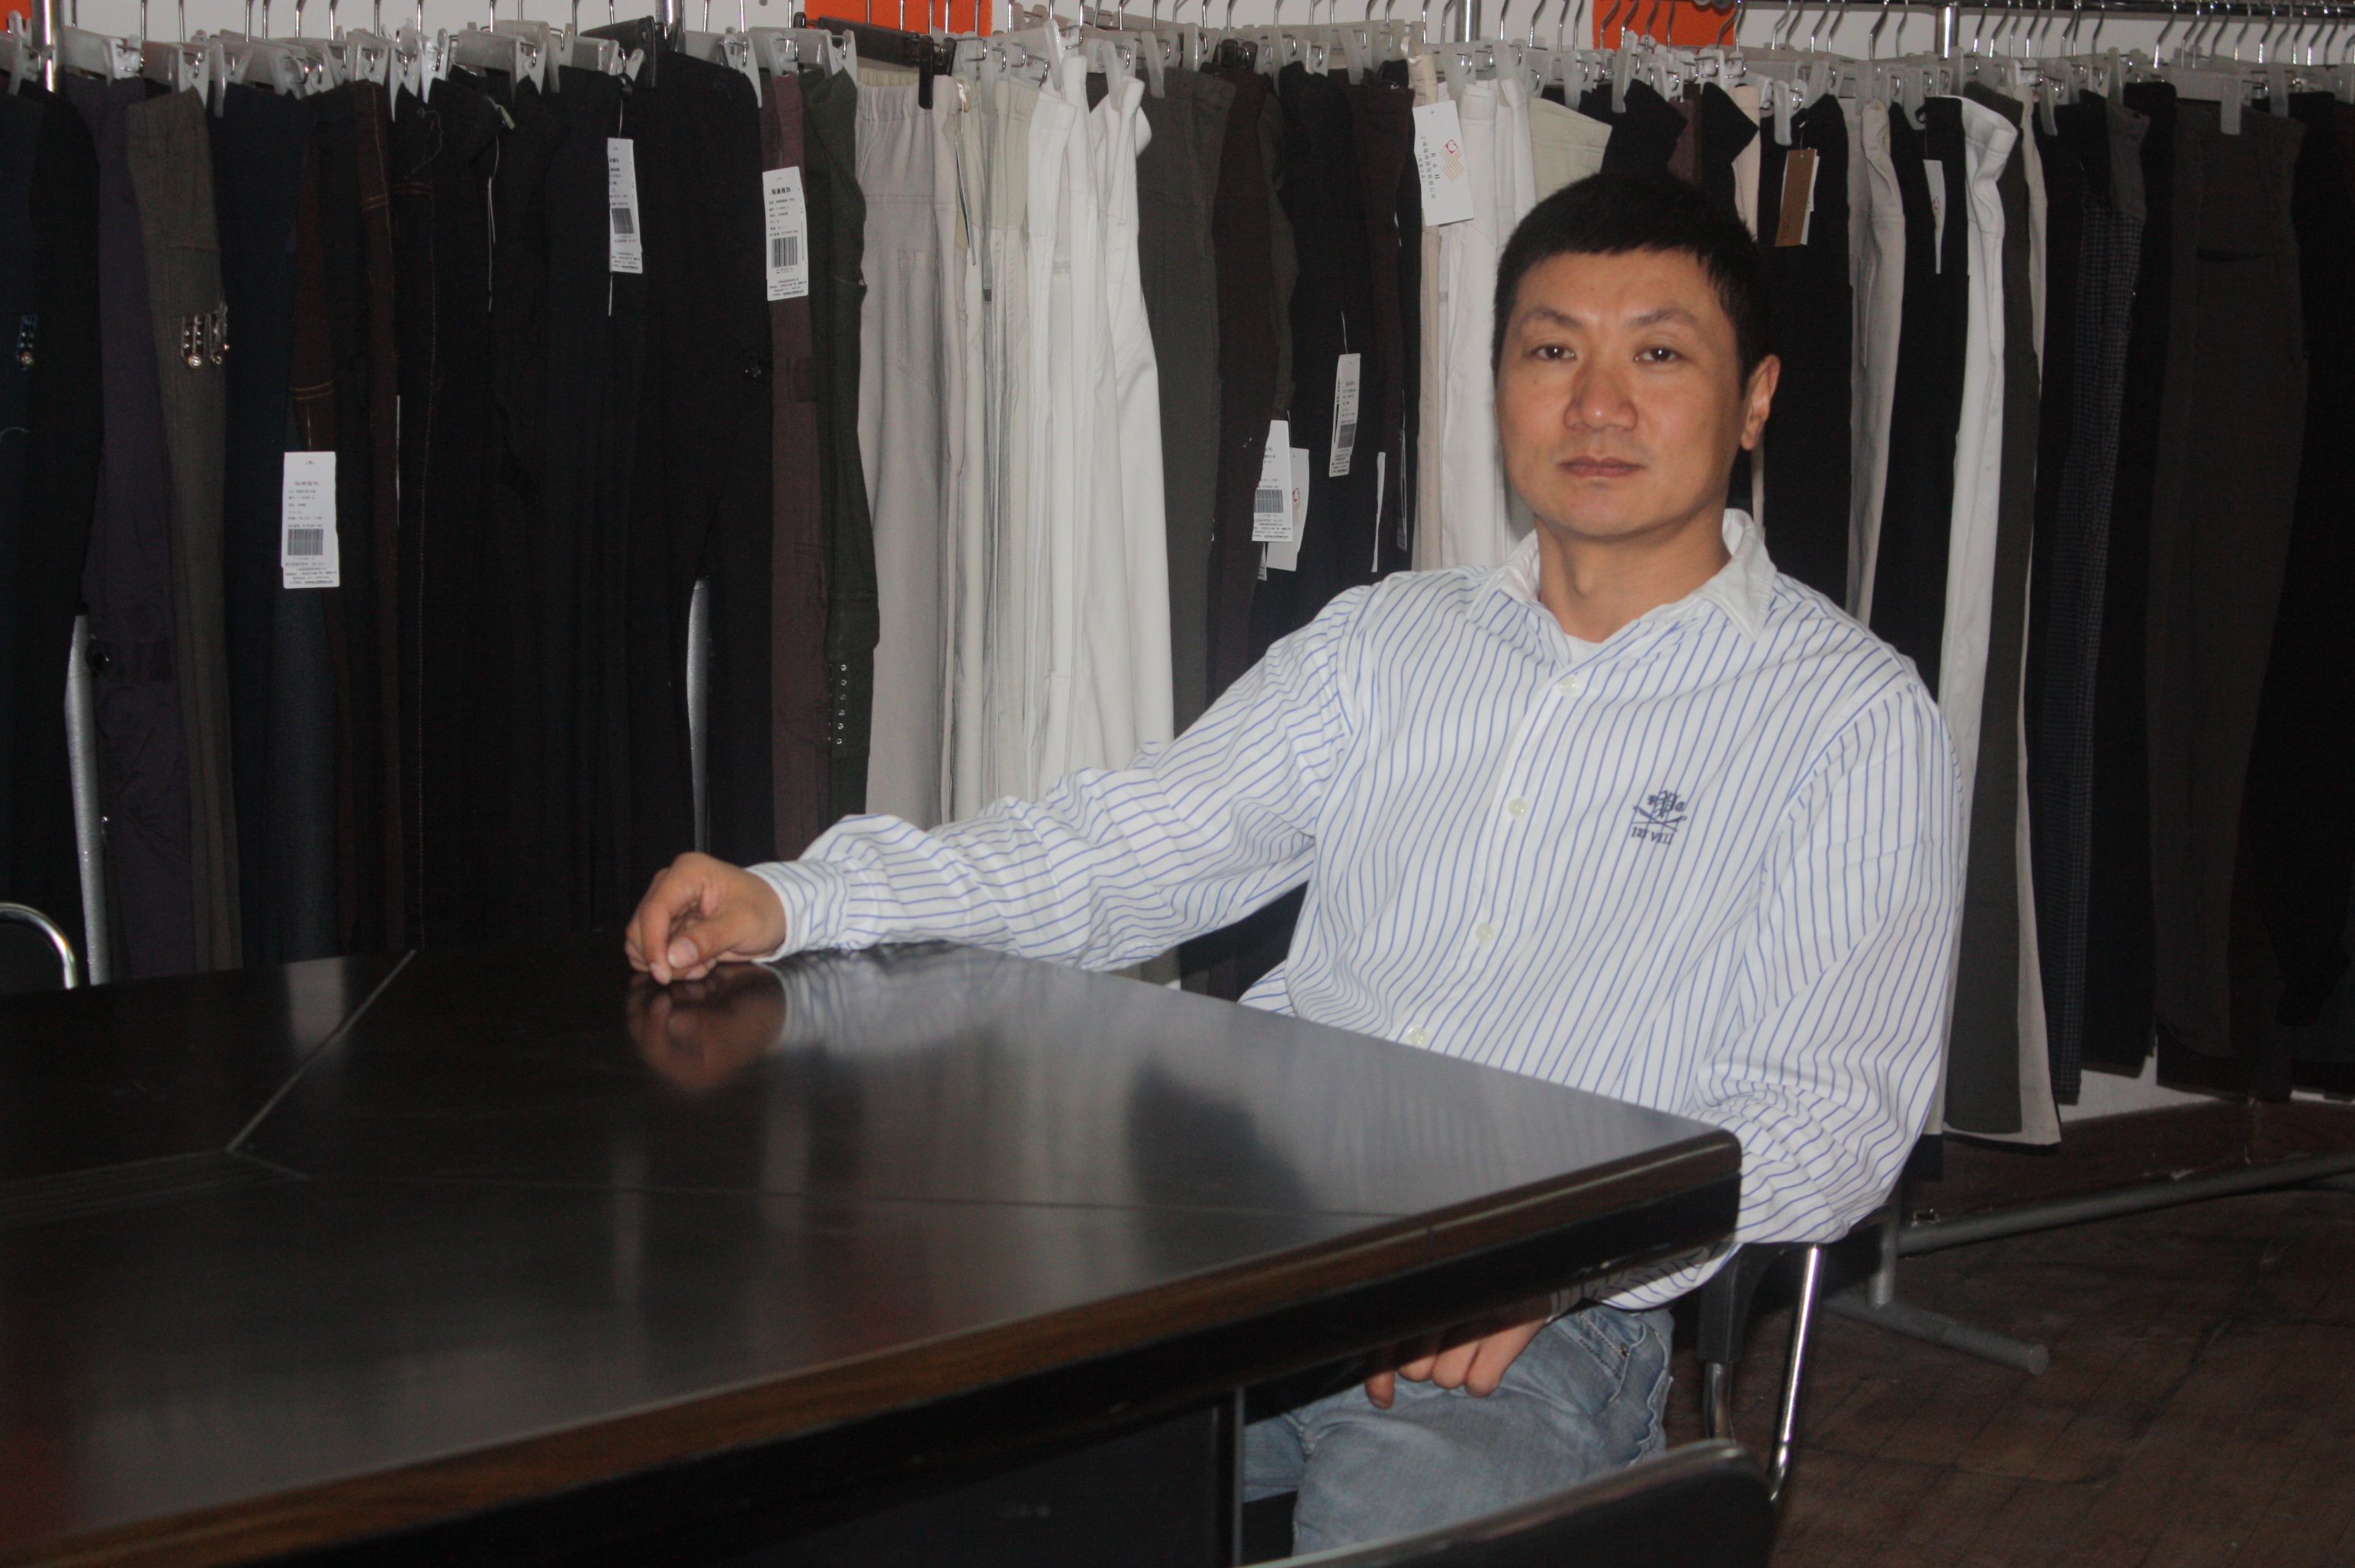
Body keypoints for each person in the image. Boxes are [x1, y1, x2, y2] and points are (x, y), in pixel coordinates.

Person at [625, 172, 1961, 1551]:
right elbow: (1122, 849)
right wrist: (801, 896)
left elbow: (1836, 1113)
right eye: (1553, 350)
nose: (1598, 404)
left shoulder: (1845, 717)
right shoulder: (1387, 643)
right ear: (1499, 382)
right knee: (882, 1472)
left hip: (1542, 1321)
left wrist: (1569, 1255)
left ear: (1755, 401)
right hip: (1257, 1248)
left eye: (1660, 355)